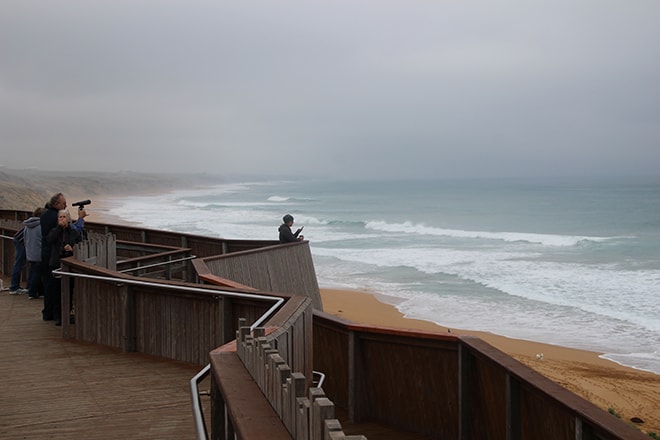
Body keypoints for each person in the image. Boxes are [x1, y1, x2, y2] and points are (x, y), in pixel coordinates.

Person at [46, 209, 82, 326]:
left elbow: (80, 244)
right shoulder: (54, 231)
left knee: (69, 290)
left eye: (63, 217)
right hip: (56, 263)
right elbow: (49, 239)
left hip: (69, 264)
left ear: (69, 219)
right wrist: (58, 228)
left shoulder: (74, 232)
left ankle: (67, 313)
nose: (61, 219)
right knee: (56, 291)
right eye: (59, 217)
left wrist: (72, 249)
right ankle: (58, 316)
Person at [41, 193, 67, 322]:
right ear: (56, 204)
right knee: (55, 286)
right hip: (53, 255)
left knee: (48, 284)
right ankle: (56, 314)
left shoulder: (44, 215)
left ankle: (48, 312)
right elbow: (53, 237)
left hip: (45, 254)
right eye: (63, 203)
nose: (65, 205)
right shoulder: (54, 217)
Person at [23, 207, 45, 299]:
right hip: (38, 253)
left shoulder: (27, 226)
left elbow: (24, 239)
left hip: (30, 253)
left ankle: (37, 291)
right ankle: (32, 292)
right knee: (37, 274)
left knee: (33, 272)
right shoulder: (41, 226)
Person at [9, 226, 27, 294]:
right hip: (21, 242)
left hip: (18, 239)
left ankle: (14, 286)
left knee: (18, 263)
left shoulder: (32, 223)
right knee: (19, 264)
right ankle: (14, 287)